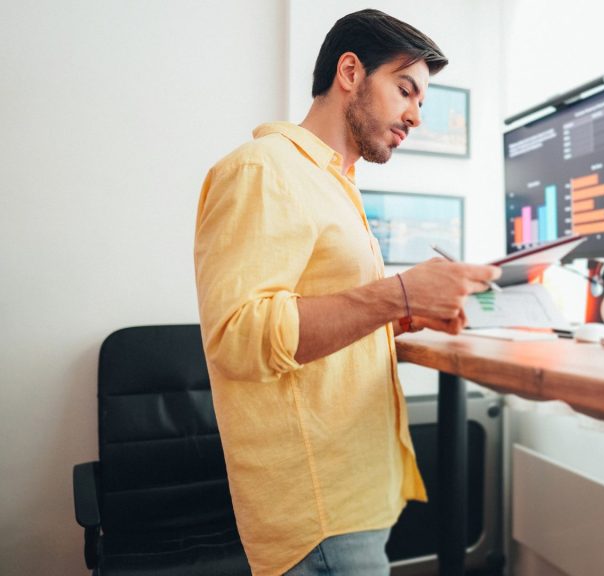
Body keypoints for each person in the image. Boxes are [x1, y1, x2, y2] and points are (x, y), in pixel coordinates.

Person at [193, 9, 500, 576]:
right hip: (319, 513)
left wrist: (403, 314)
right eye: (406, 90)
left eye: (422, 102)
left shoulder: (333, 185)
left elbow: (317, 315)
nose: (414, 116)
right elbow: (240, 337)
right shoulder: (264, 169)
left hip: (355, 495)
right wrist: (398, 295)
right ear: (351, 72)